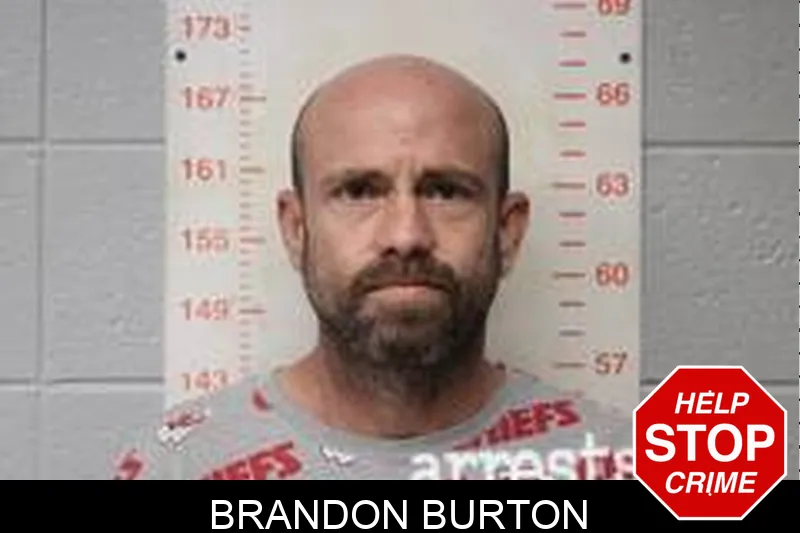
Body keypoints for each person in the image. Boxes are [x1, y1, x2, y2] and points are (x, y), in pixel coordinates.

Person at [112, 54, 632, 480]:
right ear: (296, 229)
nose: (406, 236)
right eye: (359, 191)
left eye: (446, 191)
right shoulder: (180, 466)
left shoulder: (621, 465)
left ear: (506, 231)